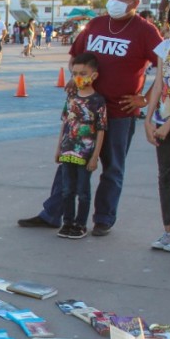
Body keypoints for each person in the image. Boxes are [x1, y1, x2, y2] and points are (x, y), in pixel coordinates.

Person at [18, 0, 163, 236]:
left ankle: (103, 218)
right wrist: (75, 77)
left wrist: (145, 97)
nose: (116, 1)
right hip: (82, 113)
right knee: (69, 164)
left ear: (136, 2)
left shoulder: (145, 31)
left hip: (119, 113)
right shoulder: (96, 24)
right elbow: (75, 55)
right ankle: (52, 213)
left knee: (112, 167)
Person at [55, 53, 107, 239]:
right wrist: (58, 149)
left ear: (93, 76)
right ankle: (67, 222)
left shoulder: (97, 101)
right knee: (67, 189)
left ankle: (80, 223)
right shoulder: (71, 96)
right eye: (75, 73)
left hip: (85, 153)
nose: (78, 77)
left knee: (83, 191)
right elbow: (65, 123)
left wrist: (94, 157)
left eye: (83, 73)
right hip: (68, 149)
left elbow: (101, 129)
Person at [144, 0, 170, 251]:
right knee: (164, 175)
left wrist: (169, 123)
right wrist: (148, 118)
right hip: (162, 119)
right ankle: (168, 233)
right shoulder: (165, 48)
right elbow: (158, 84)